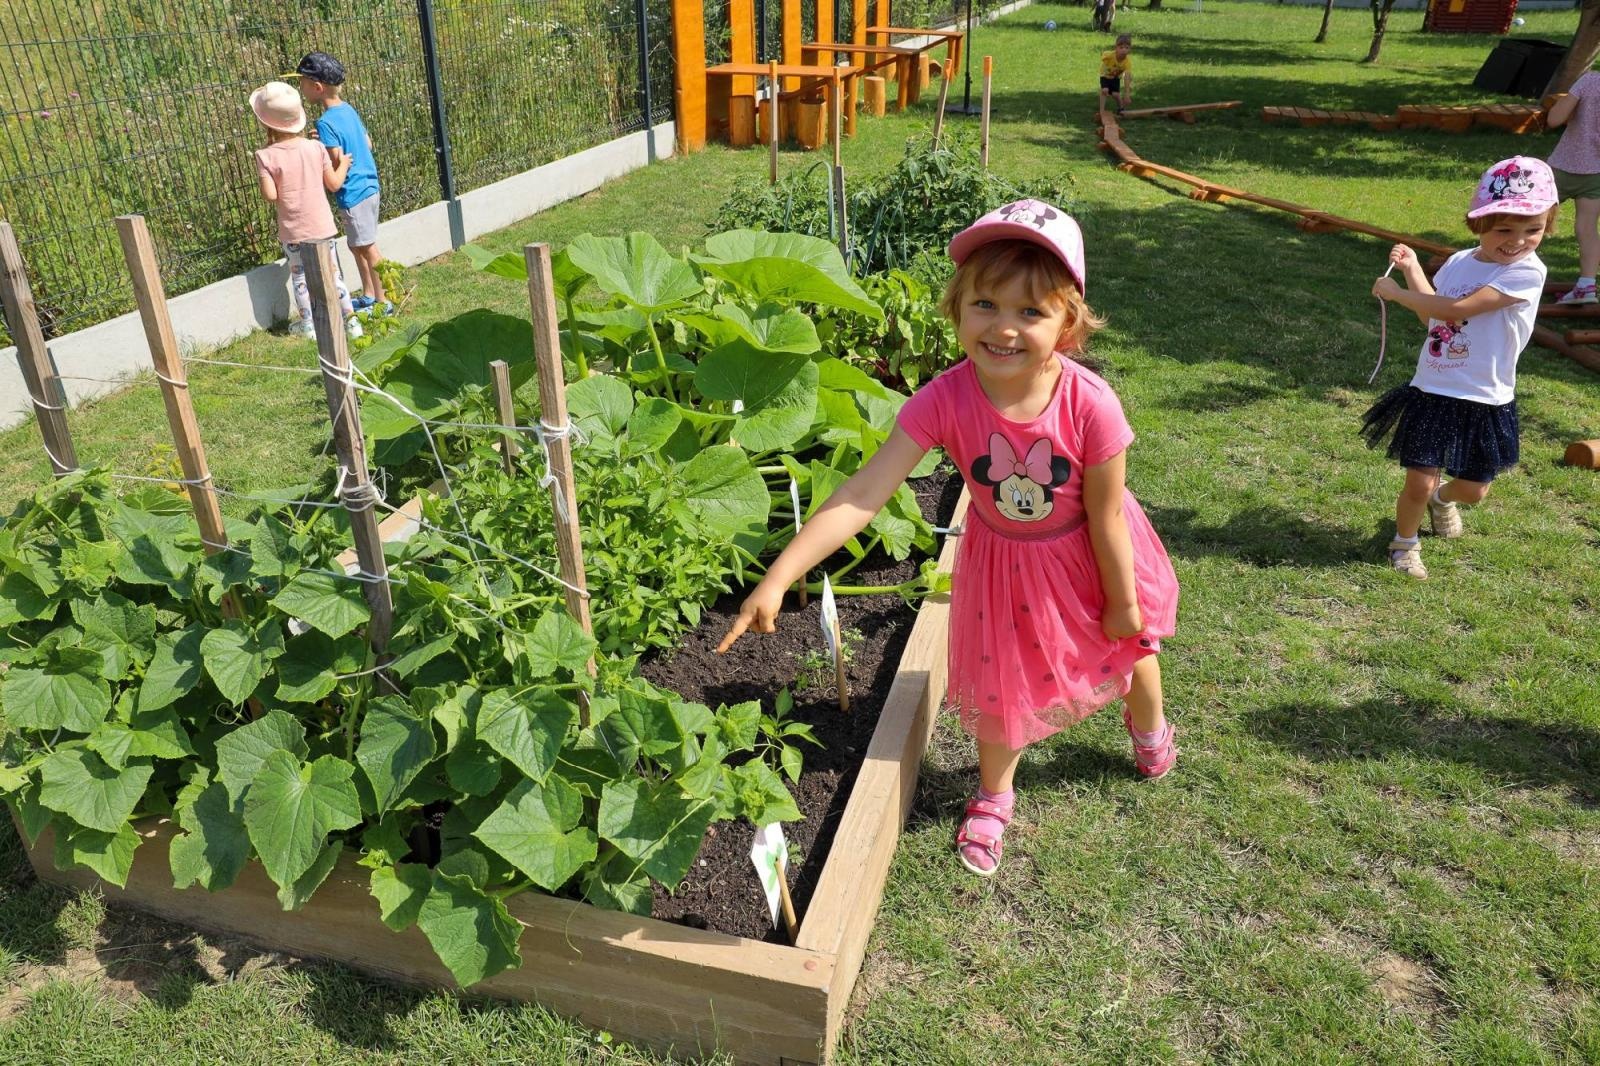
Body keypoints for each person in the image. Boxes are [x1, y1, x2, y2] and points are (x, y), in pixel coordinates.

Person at [716, 200, 1180, 878]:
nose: (1004, 328)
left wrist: (1122, 603)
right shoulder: (943, 400)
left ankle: (1149, 729)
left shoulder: (1091, 406)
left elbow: (1108, 516)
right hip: (1002, 566)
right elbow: (860, 494)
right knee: (1001, 687)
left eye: (1031, 312)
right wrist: (780, 574)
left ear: (1069, 325)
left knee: (1128, 651)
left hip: (1089, 554)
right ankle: (994, 795)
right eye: (986, 304)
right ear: (957, 308)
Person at [1364, 156, 1555, 579]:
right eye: (1504, 228)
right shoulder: (1459, 261)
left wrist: (1397, 294)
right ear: (1479, 222)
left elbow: (1457, 310)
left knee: (1475, 490)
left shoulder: (1527, 273)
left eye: (1533, 229)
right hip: (1434, 389)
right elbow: (1433, 318)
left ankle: (1443, 500)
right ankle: (1404, 544)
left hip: (1486, 397)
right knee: (1418, 481)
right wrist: (1414, 270)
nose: (1517, 241)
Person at [249, 81, 362, 342]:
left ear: (267, 123)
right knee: (333, 273)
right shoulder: (316, 147)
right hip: (322, 225)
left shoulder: (265, 156)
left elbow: (270, 195)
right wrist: (343, 163)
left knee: (300, 277)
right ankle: (350, 320)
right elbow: (334, 183)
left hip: (293, 230)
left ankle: (308, 324)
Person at [290, 51, 390, 315]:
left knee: (367, 247)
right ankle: (370, 295)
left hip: (354, 193)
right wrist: (325, 140)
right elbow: (367, 143)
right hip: (369, 187)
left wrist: (320, 145)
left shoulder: (325, 122)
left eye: (302, 83)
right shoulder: (347, 110)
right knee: (357, 244)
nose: (301, 88)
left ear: (317, 87)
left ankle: (383, 302)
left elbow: (336, 163)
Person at [1544, 82, 1600, 304]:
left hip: (1563, 167)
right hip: (1596, 173)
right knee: (1587, 228)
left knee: (1533, 217)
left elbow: (1554, 119)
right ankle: (1586, 285)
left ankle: (1507, 265)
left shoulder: (1590, 81)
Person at [1099, 34, 1132, 110]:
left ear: (1130, 50)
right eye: (1121, 47)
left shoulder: (1127, 62)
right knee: (1104, 90)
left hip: (1115, 78)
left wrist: (1127, 95)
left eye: (1127, 48)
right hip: (1105, 76)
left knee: (1116, 94)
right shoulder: (1110, 55)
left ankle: (1121, 108)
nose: (1124, 50)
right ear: (1116, 48)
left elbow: (1127, 76)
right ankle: (1101, 110)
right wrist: (1104, 58)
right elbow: (1103, 55)